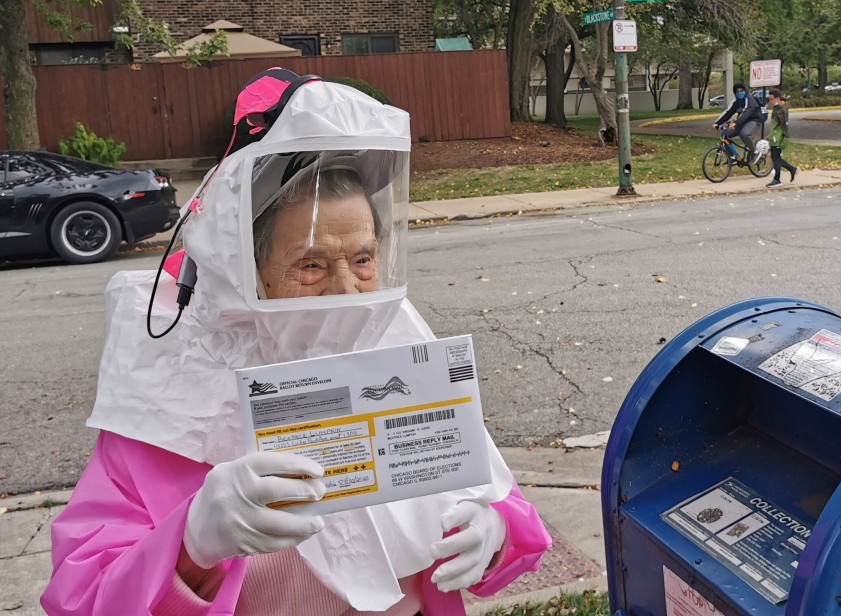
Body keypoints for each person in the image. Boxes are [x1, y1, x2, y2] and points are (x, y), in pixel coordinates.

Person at [41, 74, 551, 615]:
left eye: (363, 259)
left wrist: (494, 529)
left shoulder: (396, 350)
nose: (347, 287)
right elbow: (81, 597)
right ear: (247, 271)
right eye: (310, 264)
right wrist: (189, 544)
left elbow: (505, 511)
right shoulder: (166, 402)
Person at [712, 82, 766, 158]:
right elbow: (728, 112)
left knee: (744, 134)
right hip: (742, 121)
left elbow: (747, 112)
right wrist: (717, 123)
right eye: (737, 91)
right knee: (724, 134)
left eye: (741, 91)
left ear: (745, 91)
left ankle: (754, 152)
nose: (739, 93)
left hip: (754, 120)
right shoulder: (735, 102)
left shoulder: (750, 99)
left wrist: (736, 123)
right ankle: (732, 157)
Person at [765, 88, 797, 188]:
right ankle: (792, 169)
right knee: (775, 157)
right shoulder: (777, 108)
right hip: (774, 136)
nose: (769, 101)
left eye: (771, 99)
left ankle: (777, 179)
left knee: (776, 157)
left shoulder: (781, 109)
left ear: (777, 98)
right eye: (769, 99)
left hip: (778, 138)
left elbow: (784, 125)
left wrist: (784, 137)